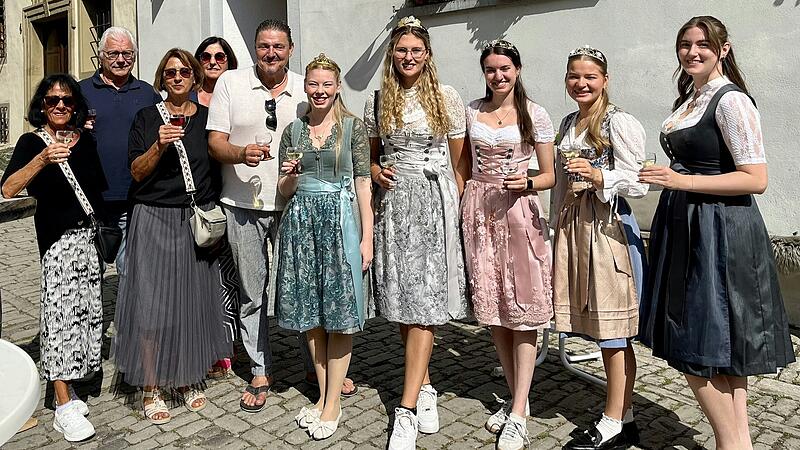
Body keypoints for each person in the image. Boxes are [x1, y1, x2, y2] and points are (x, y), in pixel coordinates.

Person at [639, 16, 795, 450]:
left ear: (723, 49)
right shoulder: (693, 97)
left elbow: (755, 178)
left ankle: (731, 442)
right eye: (685, 44)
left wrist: (681, 182)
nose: (692, 51)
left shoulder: (730, 101)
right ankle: (737, 441)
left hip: (719, 232)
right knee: (723, 341)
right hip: (690, 227)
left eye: (703, 44)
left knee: (697, 340)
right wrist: (663, 178)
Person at [207, 19, 356, 413]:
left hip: (295, 207)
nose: (270, 53)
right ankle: (260, 369)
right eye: (263, 46)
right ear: (255, 48)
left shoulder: (306, 88)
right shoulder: (230, 83)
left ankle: (319, 368)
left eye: (278, 46)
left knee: (308, 287)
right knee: (253, 293)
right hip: (242, 204)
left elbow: (332, 131)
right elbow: (215, 143)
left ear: (290, 49)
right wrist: (242, 154)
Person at [364, 15, 469, 450]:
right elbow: (370, 160)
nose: (409, 56)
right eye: (402, 49)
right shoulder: (378, 98)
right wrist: (376, 173)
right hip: (394, 207)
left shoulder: (447, 97)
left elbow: (461, 162)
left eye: (416, 50)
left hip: (431, 201)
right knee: (406, 300)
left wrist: (452, 207)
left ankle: (405, 410)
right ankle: (424, 384)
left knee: (425, 300)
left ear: (427, 55)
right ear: (394, 54)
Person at [114, 48, 229, 424]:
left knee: (188, 301)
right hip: (152, 218)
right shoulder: (147, 118)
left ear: (195, 78)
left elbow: (219, 165)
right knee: (151, 306)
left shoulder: (209, 120)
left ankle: (185, 378)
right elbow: (136, 171)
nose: (177, 77)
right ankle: (150, 386)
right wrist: (159, 144)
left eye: (184, 72)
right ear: (161, 79)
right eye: (169, 73)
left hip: (191, 222)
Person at [459, 40, 555, 450]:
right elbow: (461, 165)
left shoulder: (535, 114)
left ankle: (517, 411)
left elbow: (550, 174)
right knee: (495, 307)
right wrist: (464, 203)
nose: (498, 76)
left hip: (518, 212)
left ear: (518, 69)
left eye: (505, 68)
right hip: (479, 211)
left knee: (522, 307)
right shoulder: (471, 111)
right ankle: (520, 401)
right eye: (491, 69)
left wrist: (528, 181)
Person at [551, 46, 648, 450]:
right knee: (597, 329)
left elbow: (640, 183)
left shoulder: (619, 122)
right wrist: (553, 226)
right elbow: (558, 183)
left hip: (609, 231)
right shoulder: (569, 121)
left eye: (590, 76)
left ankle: (614, 421)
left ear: (605, 79)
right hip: (575, 228)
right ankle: (622, 414)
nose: (581, 83)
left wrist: (598, 175)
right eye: (574, 76)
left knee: (613, 332)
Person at [1, 74, 106, 442]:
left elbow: (98, 190)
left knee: (84, 318)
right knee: (59, 321)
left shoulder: (86, 141)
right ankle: (62, 404)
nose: (59, 105)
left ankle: (71, 388)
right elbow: (8, 187)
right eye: (51, 100)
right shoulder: (32, 142)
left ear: (76, 104)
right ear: (41, 106)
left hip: (87, 242)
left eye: (66, 99)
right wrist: (43, 159)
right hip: (58, 244)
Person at [275, 53, 373, 441]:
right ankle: (322, 395)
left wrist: (367, 237)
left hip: (340, 222)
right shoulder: (292, 132)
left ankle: (333, 403)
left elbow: (364, 186)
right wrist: (288, 177)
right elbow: (284, 193)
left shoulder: (353, 129)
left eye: (326, 85)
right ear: (306, 87)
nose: (319, 91)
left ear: (336, 88)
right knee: (312, 315)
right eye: (313, 84)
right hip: (300, 223)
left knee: (340, 312)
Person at [79, 27, 162, 277]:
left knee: (131, 270)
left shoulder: (148, 94)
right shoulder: (81, 91)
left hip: (134, 196)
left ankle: (128, 316)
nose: (121, 59)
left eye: (127, 53)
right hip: (91, 198)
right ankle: (92, 316)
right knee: (91, 271)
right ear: (101, 55)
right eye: (114, 53)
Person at [193, 36, 240, 379]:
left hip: (231, 191)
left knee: (228, 279)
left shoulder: (236, 93)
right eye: (206, 56)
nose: (213, 61)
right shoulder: (188, 100)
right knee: (199, 277)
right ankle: (203, 343)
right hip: (198, 196)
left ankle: (227, 345)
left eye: (220, 56)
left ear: (229, 60)